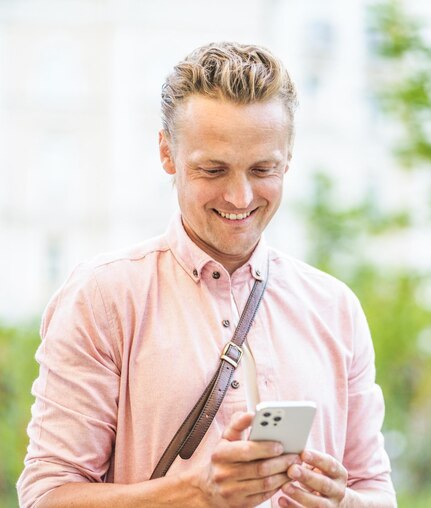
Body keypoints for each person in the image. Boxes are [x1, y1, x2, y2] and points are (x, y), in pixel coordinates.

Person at [17, 42, 396, 508]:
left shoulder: (335, 308)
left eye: (263, 169)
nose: (240, 197)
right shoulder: (102, 298)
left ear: (289, 158)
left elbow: (377, 492)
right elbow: (46, 496)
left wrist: (342, 502)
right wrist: (195, 492)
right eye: (213, 170)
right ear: (167, 154)